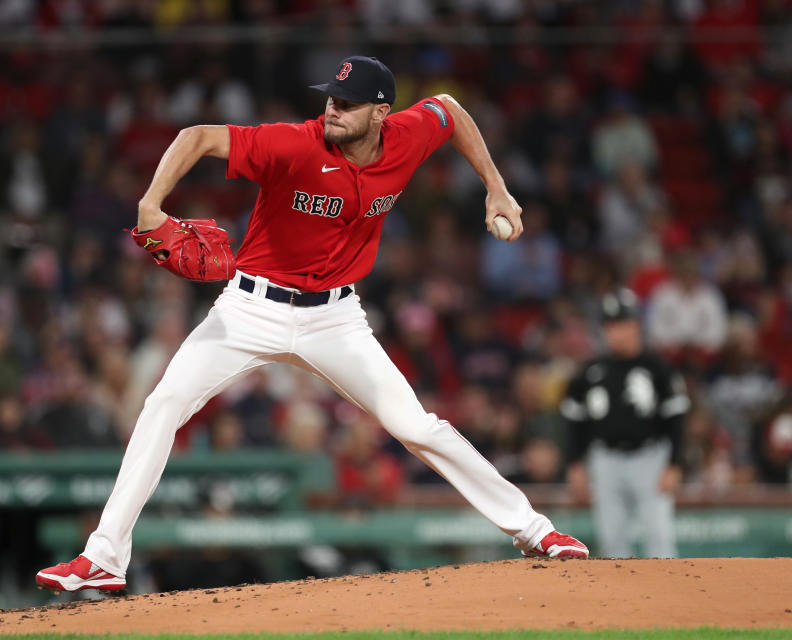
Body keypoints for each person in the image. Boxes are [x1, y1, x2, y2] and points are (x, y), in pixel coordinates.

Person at [36, 56, 588, 594]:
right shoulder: (294, 143)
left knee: (417, 427)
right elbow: (198, 135)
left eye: (348, 103)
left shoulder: (406, 136)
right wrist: (152, 203)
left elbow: (449, 108)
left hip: (335, 318)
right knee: (163, 405)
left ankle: (534, 530)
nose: (334, 110)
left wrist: (496, 184)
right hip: (251, 308)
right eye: (331, 98)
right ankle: (103, 556)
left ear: (380, 112)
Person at [561, 289, 690, 558]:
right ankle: (619, 601)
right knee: (611, 541)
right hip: (605, 460)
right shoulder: (589, 371)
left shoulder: (658, 368)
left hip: (650, 458)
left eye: (622, 324)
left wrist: (675, 464)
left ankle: (669, 599)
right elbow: (574, 422)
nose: (616, 333)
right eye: (610, 326)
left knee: (659, 538)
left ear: (636, 326)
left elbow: (676, 419)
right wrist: (575, 464)